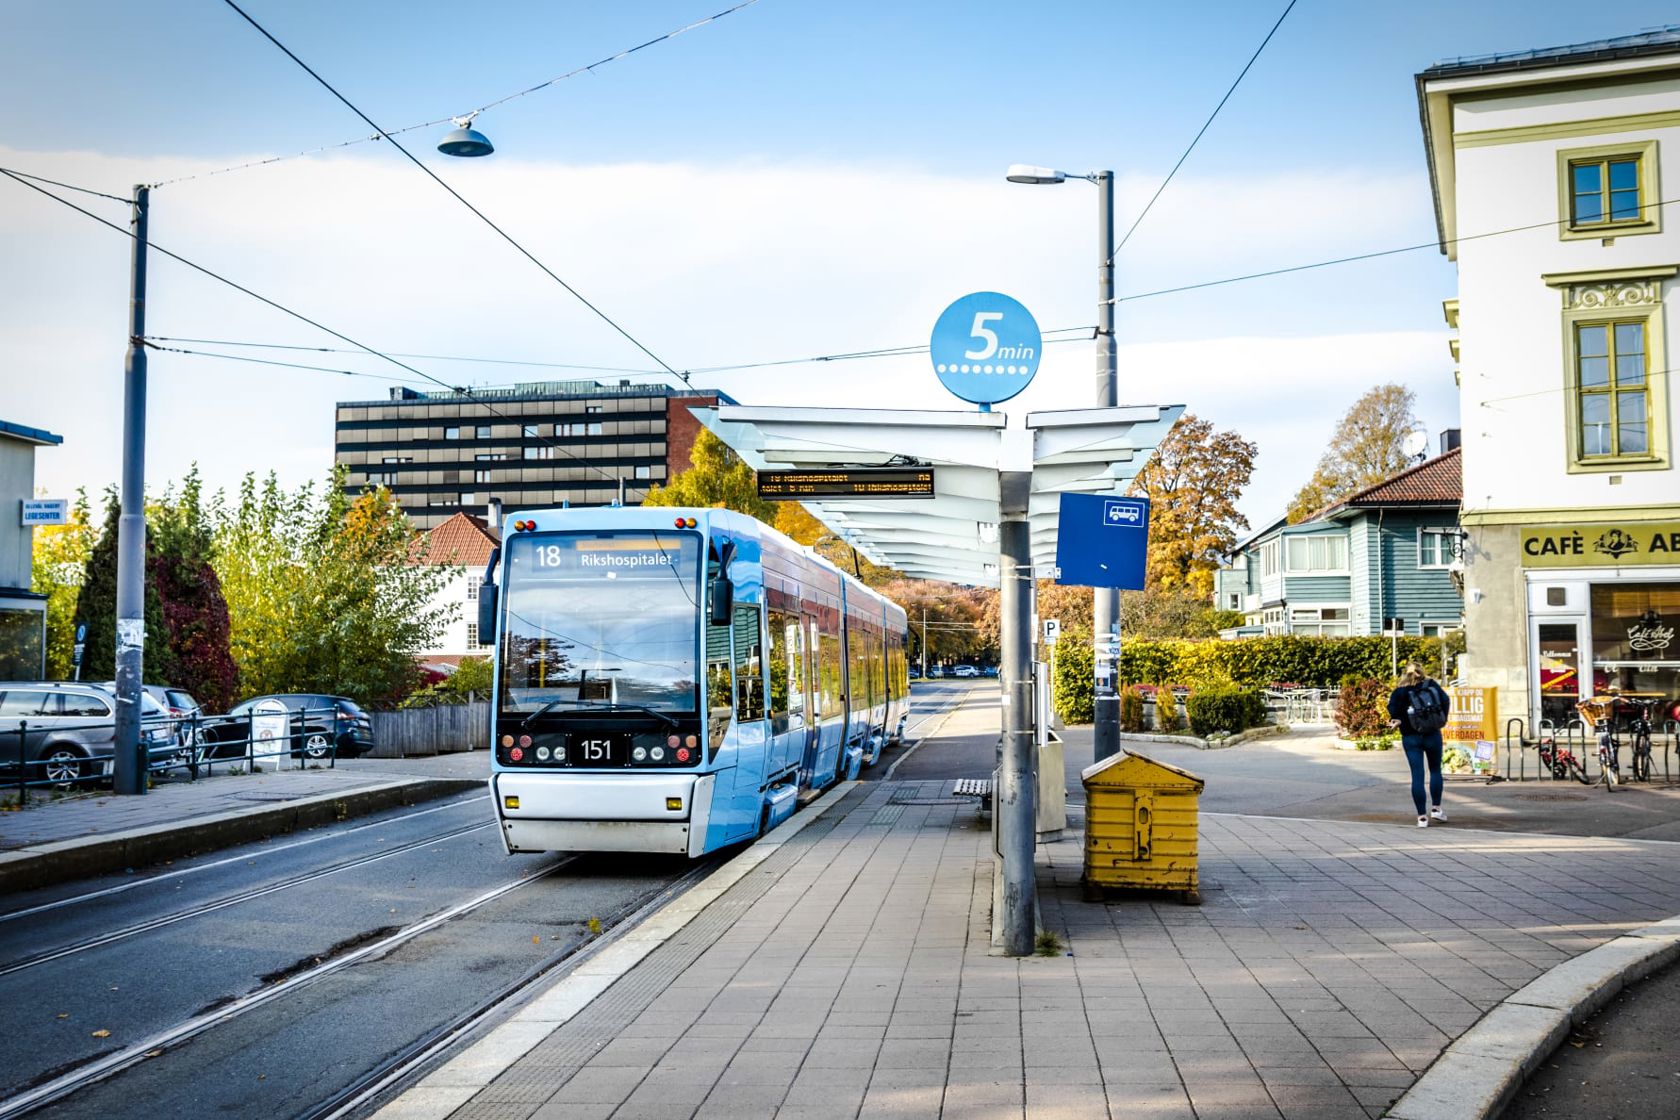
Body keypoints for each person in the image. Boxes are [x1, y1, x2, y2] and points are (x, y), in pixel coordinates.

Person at [1388, 663, 1448, 827]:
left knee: (1417, 775)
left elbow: (1392, 710)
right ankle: (1436, 809)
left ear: (1404, 675)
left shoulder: (1400, 691)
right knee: (1435, 770)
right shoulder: (1432, 685)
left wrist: (1398, 720)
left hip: (1411, 737)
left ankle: (1422, 817)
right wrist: (1440, 720)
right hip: (1432, 734)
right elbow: (1445, 700)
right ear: (1422, 673)